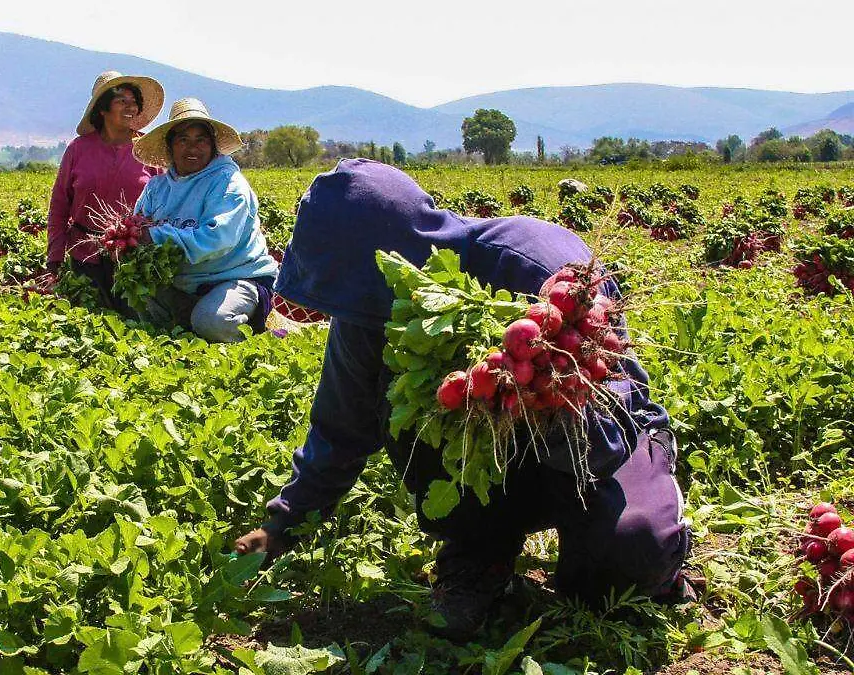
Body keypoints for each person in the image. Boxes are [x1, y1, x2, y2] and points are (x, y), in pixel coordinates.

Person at [232, 159, 690, 640]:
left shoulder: (536, 264)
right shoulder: (369, 309)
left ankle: (656, 528)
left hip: (602, 438)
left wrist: (546, 403)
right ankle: (480, 546)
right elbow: (340, 427)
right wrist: (285, 523)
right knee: (408, 404)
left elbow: (611, 414)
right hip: (492, 466)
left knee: (625, 561)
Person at [131, 98, 279, 342]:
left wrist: (154, 236)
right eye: (183, 140)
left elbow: (218, 239)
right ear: (170, 146)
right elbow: (139, 225)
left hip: (234, 277)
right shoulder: (156, 188)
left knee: (212, 322)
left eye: (201, 140)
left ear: (212, 146)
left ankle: (259, 340)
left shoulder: (228, 184)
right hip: (182, 282)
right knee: (135, 297)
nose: (193, 148)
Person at [47, 71, 165, 312]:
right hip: (84, 256)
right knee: (86, 318)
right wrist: (55, 257)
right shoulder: (78, 149)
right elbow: (59, 205)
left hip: (135, 258)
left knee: (133, 320)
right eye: (122, 101)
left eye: (134, 102)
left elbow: (166, 205)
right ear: (102, 109)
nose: (130, 107)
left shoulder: (148, 150)